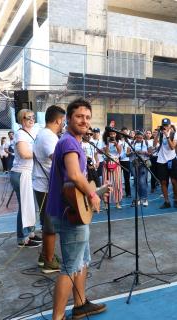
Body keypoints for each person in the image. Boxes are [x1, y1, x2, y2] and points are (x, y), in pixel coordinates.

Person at [46, 98, 108, 320]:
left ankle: (81, 304)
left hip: (74, 211)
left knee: (82, 261)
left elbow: (74, 183)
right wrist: (93, 194)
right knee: (70, 267)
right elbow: (73, 175)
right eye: (80, 116)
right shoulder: (69, 143)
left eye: (88, 117)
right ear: (68, 119)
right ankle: (58, 316)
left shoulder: (72, 142)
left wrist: (96, 191)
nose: (85, 121)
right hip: (69, 214)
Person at [33, 105, 66, 273]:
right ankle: (49, 261)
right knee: (51, 226)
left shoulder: (45, 134)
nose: (64, 124)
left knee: (48, 224)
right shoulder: (48, 137)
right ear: (58, 120)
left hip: (43, 185)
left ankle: (45, 255)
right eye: (63, 121)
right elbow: (59, 161)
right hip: (47, 187)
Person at [10, 109, 40, 247]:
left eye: (33, 117)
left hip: (28, 173)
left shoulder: (31, 132)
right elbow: (24, 154)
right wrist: (40, 152)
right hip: (21, 173)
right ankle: (22, 238)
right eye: (29, 118)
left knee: (30, 205)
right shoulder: (20, 134)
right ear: (22, 119)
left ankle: (30, 233)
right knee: (24, 207)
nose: (32, 119)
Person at [154, 118, 177, 209]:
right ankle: (167, 201)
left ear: (170, 126)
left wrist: (167, 136)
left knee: (174, 181)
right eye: (164, 125)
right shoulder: (160, 134)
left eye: (166, 125)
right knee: (163, 182)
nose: (165, 127)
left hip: (172, 159)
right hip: (161, 160)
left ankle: (176, 199)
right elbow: (154, 144)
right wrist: (157, 134)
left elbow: (172, 147)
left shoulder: (174, 134)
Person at [103, 130, 123, 209]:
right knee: (106, 183)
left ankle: (117, 203)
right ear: (108, 135)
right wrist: (108, 144)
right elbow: (106, 153)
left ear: (116, 134)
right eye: (110, 134)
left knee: (117, 183)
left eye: (114, 134)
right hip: (107, 163)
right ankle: (106, 203)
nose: (112, 135)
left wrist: (116, 144)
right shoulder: (104, 142)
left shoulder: (119, 142)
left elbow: (119, 152)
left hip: (116, 162)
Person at [130, 131, 150, 207]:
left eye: (141, 137)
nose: (139, 139)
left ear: (143, 137)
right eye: (138, 137)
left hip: (143, 163)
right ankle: (138, 198)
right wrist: (133, 152)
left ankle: (144, 199)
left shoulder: (146, 143)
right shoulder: (132, 143)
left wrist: (142, 152)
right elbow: (127, 154)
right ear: (135, 137)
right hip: (134, 164)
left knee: (142, 181)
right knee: (136, 182)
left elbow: (150, 153)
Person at [119, 127, 132, 198]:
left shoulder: (129, 141)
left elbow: (128, 151)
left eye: (126, 133)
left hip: (126, 161)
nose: (124, 134)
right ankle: (119, 193)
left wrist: (125, 155)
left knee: (127, 178)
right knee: (118, 178)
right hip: (118, 161)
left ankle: (128, 193)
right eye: (123, 132)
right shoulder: (118, 140)